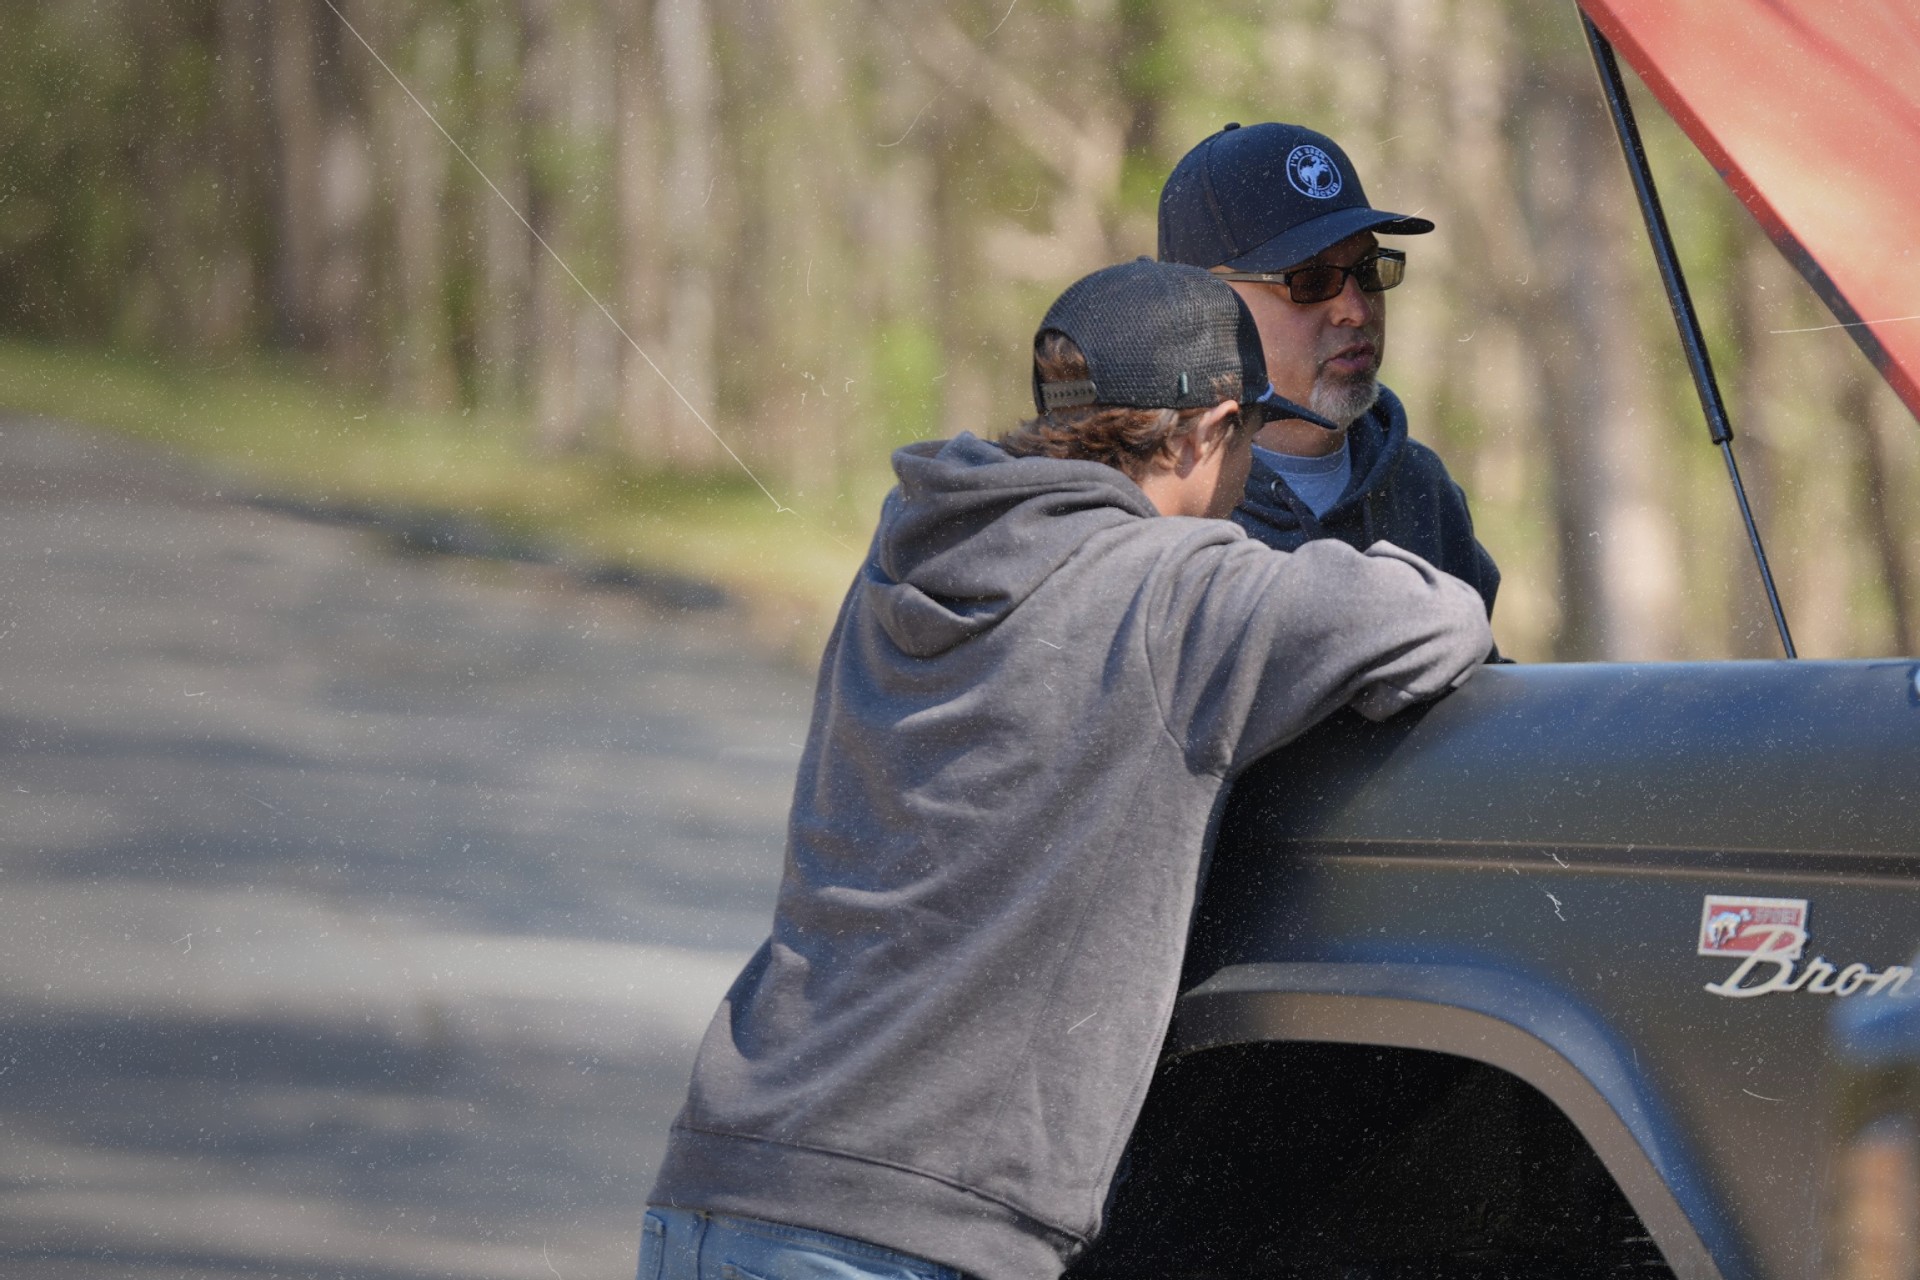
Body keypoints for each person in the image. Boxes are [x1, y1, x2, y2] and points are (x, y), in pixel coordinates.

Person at [639, 259, 1492, 1280]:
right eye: (1251, 442)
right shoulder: (1182, 594)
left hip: (721, 1185)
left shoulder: (905, 554)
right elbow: (1436, 618)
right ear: (1204, 432)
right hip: (910, 1232)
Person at [1159, 121, 1503, 624]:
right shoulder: (1162, 502)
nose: (1357, 311)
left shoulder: (1419, 487)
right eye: (1311, 279)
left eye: (1368, 272)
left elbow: (1482, 696)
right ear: (1200, 302)